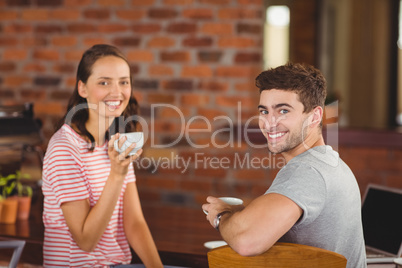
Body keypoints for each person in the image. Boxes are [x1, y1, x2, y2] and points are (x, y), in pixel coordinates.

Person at [202, 62, 367, 268]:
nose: (270, 123)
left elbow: (246, 241)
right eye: (264, 112)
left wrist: (221, 216)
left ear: (315, 116)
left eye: (283, 111)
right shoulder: (331, 163)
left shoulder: (308, 171)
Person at [42, 44, 163, 267]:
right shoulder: (63, 148)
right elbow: (86, 240)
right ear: (82, 88)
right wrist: (117, 175)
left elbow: (134, 222)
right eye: (104, 82)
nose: (117, 92)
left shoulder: (117, 141)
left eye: (123, 82)